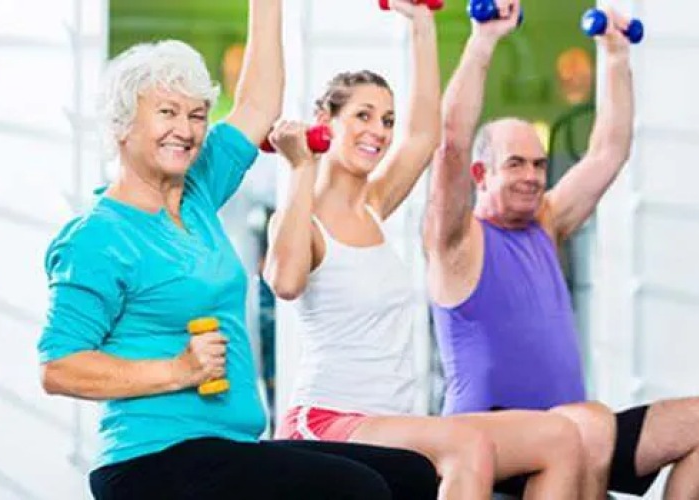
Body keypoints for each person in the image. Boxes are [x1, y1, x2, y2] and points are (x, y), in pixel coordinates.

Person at [36, 2, 439, 499]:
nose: (184, 129)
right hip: (151, 461)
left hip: (227, 446)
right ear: (122, 126)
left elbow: (257, 103)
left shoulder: (198, 192)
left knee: (411, 474)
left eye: (197, 115)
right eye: (167, 113)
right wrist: (175, 371)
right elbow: (59, 367)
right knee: (357, 490)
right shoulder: (98, 236)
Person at [265, 1, 587, 498]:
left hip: (392, 421)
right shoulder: (301, 218)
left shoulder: (374, 204)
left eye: (386, 120)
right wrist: (301, 168)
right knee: (469, 449)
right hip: (327, 419)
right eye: (362, 116)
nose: (378, 131)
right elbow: (285, 284)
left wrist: (422, 22)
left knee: (560, 437)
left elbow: (425, 134)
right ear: (324, 119)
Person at [424, 1, 699, 498]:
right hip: (492, 440)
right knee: (582, 427)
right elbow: (452, 144)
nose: (531, 177)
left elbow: (609, 150)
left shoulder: (546, 222)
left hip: (581, 434)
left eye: (539, 164)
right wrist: (483, 42)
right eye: (516, 164)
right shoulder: (457, 240)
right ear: (482, 175)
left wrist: (613, 55)